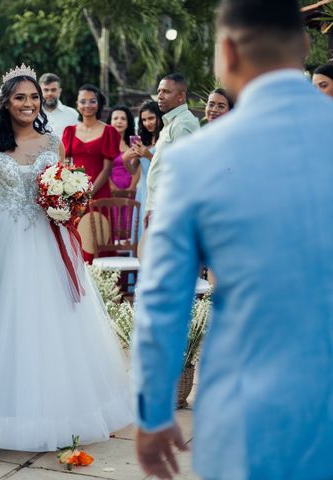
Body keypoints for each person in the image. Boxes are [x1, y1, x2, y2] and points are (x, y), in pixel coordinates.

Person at [131, 0, 333, 479]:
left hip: (244, 407)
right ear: (305, 46)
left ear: (226, 52)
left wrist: (154, 410)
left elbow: (164, 298)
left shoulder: (195, 160)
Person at [0, 65, 133, 452]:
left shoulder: (53, 142)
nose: (28, 103)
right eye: (20, 97)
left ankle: (56, 411)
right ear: (5, 102)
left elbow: (67, 187)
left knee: (49, 322)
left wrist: (68, 202)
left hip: (45, 239)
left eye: (34, 97)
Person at [144, 73, 200, 228]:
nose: (160, 96)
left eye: (166, 92)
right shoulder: (171, 122)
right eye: (159, 91)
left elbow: (183, 173)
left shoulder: (183, 124)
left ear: (181, 96)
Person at [122, 101, 163, 244]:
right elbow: (133, 170)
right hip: (143, 192)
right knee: (142, 234)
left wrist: (148, 155)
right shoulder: (142, 139)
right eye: (144, 120)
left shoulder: (165, 138)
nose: (147, 123)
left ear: (159, 116)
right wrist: (126, 159)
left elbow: (166, 167)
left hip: (159, 190)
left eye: (151, 118)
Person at [39, 72, 79, 138]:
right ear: (40, 92)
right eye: (46, 90)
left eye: (53, 90)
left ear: (59, 91)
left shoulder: (73, 115)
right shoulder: (34, 115)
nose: (50, 93)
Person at [107, 105, 136, 192]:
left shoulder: (134, 143)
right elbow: (101, 169)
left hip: (131, 191)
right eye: (115, 118)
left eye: (123, 119)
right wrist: (112, 188)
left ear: (128, 122)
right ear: (110, 122)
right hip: (110, 191)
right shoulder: (104, 144)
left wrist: (132, 188)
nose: (119, 121)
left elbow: (138, 169)